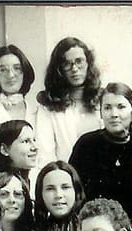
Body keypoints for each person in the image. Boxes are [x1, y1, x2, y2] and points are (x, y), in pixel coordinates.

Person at [69, 82, 132, 212]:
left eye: (121, 107)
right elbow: (74, 189)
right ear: (101, 113)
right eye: (107, 108)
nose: (114, 114)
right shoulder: (86, 145)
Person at [35, 37, 103, 167]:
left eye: (79, 61)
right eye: (67, 63)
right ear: (59, 69)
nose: (74, 68)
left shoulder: (103, 99)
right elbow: (46, 156)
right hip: (66, 176)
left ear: (88, 63)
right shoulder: (48, 107)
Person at [0, 44, 36, 127]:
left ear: (25, 72)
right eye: (3, 70)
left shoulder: (36, 111)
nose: (10, 75)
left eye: (17, 68)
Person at [0, 120, 39, 191]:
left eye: (34, 140)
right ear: (4, 149)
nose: (35, 147)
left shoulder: (40, 181)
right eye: (26, 141)